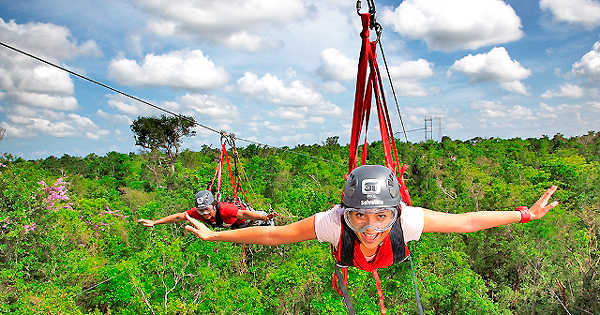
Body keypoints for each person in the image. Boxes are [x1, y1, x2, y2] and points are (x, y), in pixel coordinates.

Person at [184, 165, 559, 312]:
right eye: (359, 215)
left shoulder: (406, 222)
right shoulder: (333, 224)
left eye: (382, 216)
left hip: (382, 261)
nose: (369, 226)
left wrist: (526, 214)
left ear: (395, 213)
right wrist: (215, 235)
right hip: (356, 261)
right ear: (344, 212)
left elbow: (465, 222)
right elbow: (275, 235)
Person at [138, 190, 278, 229]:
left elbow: (244, 214)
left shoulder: (224, 209)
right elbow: (178, 217)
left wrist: (264, 218)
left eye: (207, 209)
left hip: (250, 220)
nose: (205, 214)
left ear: (213, 205)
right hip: (238, 227)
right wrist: (155, 222)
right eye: (201, 211)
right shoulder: (198, 213)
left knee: (267, 224)